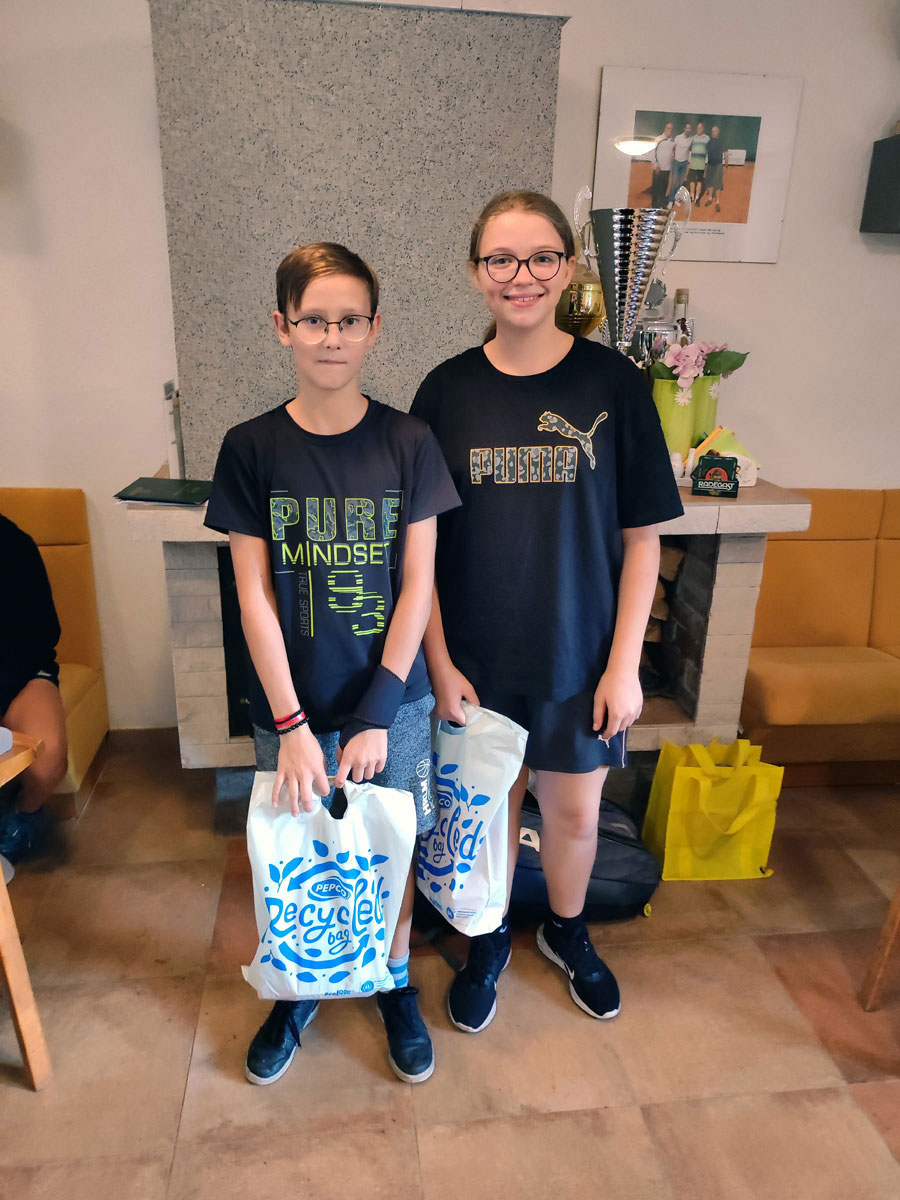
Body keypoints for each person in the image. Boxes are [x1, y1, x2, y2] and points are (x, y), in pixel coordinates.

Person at [410, 192, 683, 1034]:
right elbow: (419, 553)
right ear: (475, 273)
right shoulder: (445, 391)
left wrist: (624, 667)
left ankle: (568, 932)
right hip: (477, 661)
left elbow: (643, 540)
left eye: (540, 257)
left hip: (580, 656)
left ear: (567, 270)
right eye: (501, 259)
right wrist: (440, 665)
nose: (520, 275)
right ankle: (488, 937)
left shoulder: (616, 385)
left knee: (571, 813)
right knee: (489, 811)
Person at [205, 242, 459, 1086]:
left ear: (375, 329)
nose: (332, 336)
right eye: (313, 319)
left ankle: (393, 981)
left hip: (393, 703)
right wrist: (291, 727)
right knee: (296, 851)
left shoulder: (409, 441)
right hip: (291, 706)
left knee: (392, 847)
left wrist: (377, 714)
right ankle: (299, 988)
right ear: (282, 327)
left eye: (349, 320)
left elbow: (417, 585)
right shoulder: (250, 447)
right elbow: (253, 597)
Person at [0, 515, 68, 863]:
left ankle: (24, 814)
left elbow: (41, 634)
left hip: (19, 677)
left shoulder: (14, 544)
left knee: (47, 756)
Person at [701, 124, 727, 211]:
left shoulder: (722, 141)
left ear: (718, 132)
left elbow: (725, 153)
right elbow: (706, 154)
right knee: (710, 183)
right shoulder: (709, 142)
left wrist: (726, 165)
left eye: (715, 131)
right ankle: (710, 199)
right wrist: (705, 166)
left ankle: (717, 202)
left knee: (717, 184)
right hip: (710, 165)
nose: (713, 133)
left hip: (718, 165)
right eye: (712, 132)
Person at [651, 121, 675, 207]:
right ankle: (654, 207)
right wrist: (656, 165)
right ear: (665, 129)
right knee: (656, 189)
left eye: (671, 129)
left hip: (667, 169)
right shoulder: (658, 139)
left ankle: (661, 205)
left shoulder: (673, 142)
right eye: (668, 128)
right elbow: (652, 153)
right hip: (658, 169)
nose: (669, 130)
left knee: (663, 189)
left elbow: (673, 153)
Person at [668, 121, 692, 202]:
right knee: (674, 182)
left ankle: (677, 199)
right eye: (687, 128)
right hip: (676, 162)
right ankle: (671, 200)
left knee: (680, 183)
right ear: (684, 129)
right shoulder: (678, 137)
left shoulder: (690, 139)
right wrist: (673, 156)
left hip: (684, 163)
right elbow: (673, 148)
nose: (688, 130)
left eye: (689, 128)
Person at [687, 121, 710, 203]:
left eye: (700, 128)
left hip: (701, 164)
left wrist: (706, 164)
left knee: (699, 181)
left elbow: (708, 151)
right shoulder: (693, 138)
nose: (698, 129)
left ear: (703, 129)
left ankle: (697, 198)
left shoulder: (707, 138)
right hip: (693, 164)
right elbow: (688, 148)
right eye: (698, 128)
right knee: (692, 181)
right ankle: (692, 196)